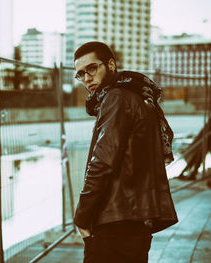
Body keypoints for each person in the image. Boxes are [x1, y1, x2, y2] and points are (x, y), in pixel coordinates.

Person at [73, 41, 178, 263]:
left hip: (116, 224)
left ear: (110, 65)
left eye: (91, 68)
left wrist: (82, 216)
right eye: (80, 74)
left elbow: (102, 162)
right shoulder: (137, 97)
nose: (86, 78)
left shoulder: (116, 98)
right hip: (135, 221)